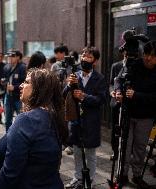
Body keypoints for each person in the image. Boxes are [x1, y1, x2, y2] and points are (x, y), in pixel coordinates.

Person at [0, 69, 68, 189]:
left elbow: (10, 172)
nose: (22, 85)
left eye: (27, 82)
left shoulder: (26, 120)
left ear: (39, 89)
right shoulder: (53, 116)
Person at [114, 40, 156, 188]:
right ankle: (122, 174)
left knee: (140, 147)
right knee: (124, 146)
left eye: (152, 55)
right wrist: (118, 91)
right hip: (128, 112)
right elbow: (119, 79)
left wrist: (137, 95)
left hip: (146, 116)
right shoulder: (134, 64)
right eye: (146, 54)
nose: (148, 58)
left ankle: (137, 175)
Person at [64, 47, 107, 188]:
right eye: (83, 56)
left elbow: (101, 100)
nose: (84, 59)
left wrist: (84, 97)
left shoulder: (99, 78)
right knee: (76, 151)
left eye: (88, 56)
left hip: (91, 121)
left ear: (95, 60)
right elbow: (64, 95)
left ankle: (91, 180)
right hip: (76, 120)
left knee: (90, 154)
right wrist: (69, 85)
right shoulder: (75, 75)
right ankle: (78, 178)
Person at [2, 50, 26, 132]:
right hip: (8, 97)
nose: (10, 58)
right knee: (7, 119)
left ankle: (21, 135)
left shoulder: (22, 67)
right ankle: (8, 136)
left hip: (18, 97)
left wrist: (15, 87)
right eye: (9, 56)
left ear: (18, 57)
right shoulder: (6, 67)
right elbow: (5, 79)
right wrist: (4, 82)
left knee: (21, 119)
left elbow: (25, 82)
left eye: (12, 56)